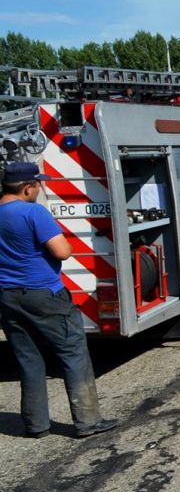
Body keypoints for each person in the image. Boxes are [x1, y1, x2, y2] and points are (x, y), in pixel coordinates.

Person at [0, 162, 118, 439]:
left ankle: (36, 425)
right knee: (73, 352)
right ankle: (88, 421)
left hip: (7, 296)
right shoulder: (33, 212)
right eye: (38, 184)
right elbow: (62, 252)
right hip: (44, 294)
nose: (40, 188)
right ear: (27, 187)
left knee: (28, 359)